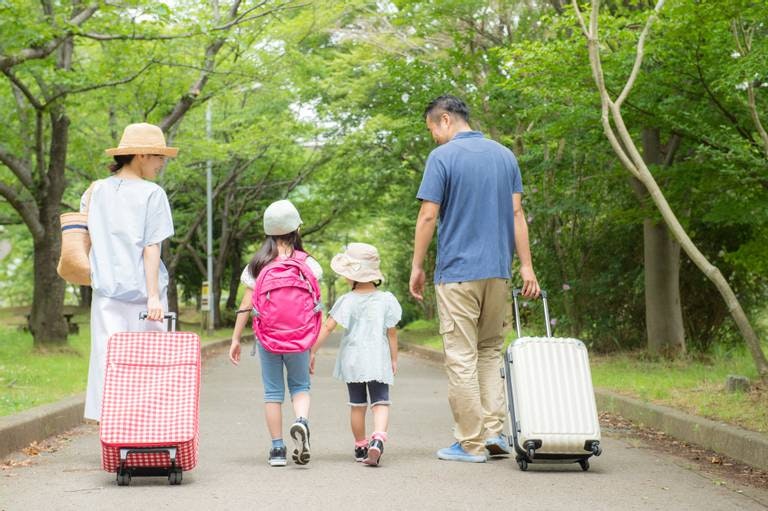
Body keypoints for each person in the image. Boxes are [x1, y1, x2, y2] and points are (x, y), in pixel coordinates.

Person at [409, 95, 540, 463]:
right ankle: (495, 432)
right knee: (489, 352)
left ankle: (470, 442)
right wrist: (526, 266)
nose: (434, 137)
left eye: (433, 128)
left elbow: (428, 216)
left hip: (458, 274)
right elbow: (517, 213)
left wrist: (417, 265)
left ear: (446, 120)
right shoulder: (504, 156)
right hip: (498, 271)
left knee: (462, 357)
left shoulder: (443, 158)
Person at [84, 122, 177, 421]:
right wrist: (154, 297)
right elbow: (151, 247)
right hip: (142, 295)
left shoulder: (95, 190)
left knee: (107, 363)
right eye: (158, 156)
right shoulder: (152, 194)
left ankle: (112, 434)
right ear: (140, 155)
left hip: (105, 294)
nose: (162, 163)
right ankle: (145, 430)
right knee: (148, 365)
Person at [229, 199, 323, 467]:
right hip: (301, 337)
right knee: (300, 387)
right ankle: (301, 421)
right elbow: (316, 305)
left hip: (268, 337)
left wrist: (236, 338)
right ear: (296, 229)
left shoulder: (258, 264)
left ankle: (278, 449)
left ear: (267, 231)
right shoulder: (309, 264)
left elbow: (246, 304)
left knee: (272, 393)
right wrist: (312, 345)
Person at [310, 243, 401, 466]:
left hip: (354, 361)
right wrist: (394, 358)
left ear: (351, 275)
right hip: (377, 359)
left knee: (357, 406)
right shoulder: (386, 299)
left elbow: (328, 327)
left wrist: (311, 352)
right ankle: (378, 438)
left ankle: (361, 446)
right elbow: (392, 334)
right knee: (381, 403)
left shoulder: (347, 300)